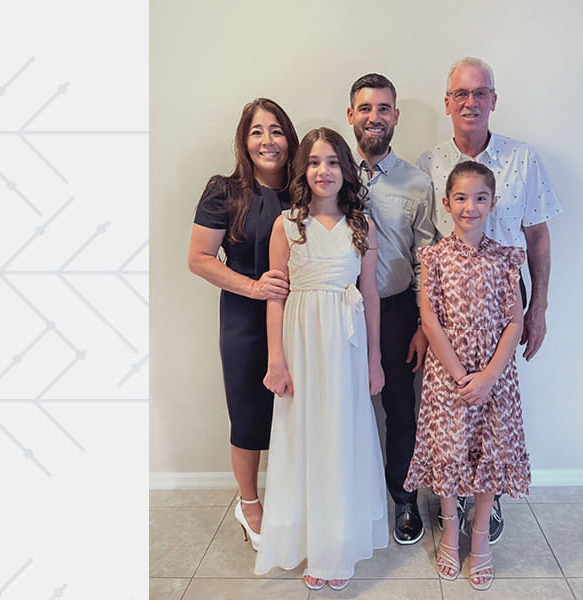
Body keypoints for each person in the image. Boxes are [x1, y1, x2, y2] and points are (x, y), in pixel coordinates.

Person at [416, 56, 562, 543]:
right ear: (447, 103)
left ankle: (487, 501)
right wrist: (423, 320)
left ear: (494, 100)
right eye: (461, 93)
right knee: (455, 406)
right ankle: (449, 506)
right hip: (447, 302)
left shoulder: (523, 158)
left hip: (504, 297)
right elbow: (422, 242)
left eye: (480, 93)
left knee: (494, 402)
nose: (471, 102)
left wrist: (537, 307)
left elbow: (537, 236)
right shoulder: (428, 164)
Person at [255, 127, 388, 591]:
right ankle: (311, 541)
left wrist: (374, 359)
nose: (323, 170)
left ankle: (340, 543)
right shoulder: (287, 225)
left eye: (332, 161)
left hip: (347, 347)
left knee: (342, 435)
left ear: (344, 170)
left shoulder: (360, 226)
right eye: (313, 162)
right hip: (301, 345)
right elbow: (276, 296)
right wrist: (276, 360)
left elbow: (369, 294)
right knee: (306, 436)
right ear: (302, 170)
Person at [404, 161, 529, 591]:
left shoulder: (508, 258)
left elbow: (515, 321)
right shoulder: (434, 257)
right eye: (461, 197)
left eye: (479, 198)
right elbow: (429, 319)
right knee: (451, 454)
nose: (470, 207)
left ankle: (479, 540)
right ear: (446, 203)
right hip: (448, 379)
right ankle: (450, 530)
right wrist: (461, 377)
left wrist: (489, 376)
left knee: (488, 456)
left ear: (492, 203)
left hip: (494, 382)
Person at [188, 98, 299, 551]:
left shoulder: (306, 188)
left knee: (295, 410)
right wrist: (254, 288)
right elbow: (198, 259)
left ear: (289, 137)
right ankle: (249, 502)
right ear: (244, 140)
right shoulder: (224, 191)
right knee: (249, 410)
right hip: (243, 317)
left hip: (299, 317)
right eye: (257, 131)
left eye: (275, 130)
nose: (267, 141)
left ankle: (293, 499)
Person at [346, 73, 436, 544]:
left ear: (395, 117)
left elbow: (426, 259)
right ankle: (345, 502)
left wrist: (423, 323)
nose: (374, 117)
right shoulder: (328, 172)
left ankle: (404, 501)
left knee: (402, 410)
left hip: (398, 311)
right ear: (351, 115)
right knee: (341, 408)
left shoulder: (417, 183)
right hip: (339, 311)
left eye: (383, 108)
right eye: (365, 108)